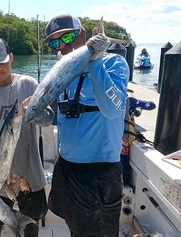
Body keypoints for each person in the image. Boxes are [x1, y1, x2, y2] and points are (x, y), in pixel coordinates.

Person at [37, 14, 129, 236]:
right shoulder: (62, 70)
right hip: (66, 165)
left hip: (99, 171)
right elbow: (57, 116)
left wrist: (95, 61)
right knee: (74, 225)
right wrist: (38, 114)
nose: (63, 46)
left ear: (84, 35)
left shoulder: (113, 63)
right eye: (55, 42)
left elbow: (113, 109)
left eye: (67, 37)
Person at [0, 37, 48, 236]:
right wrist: (7, 174)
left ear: (11, 58)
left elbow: (48, 120)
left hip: (31, 173)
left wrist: (34, 111)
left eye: (2, 62)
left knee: (30, 227)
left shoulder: (29, 84)